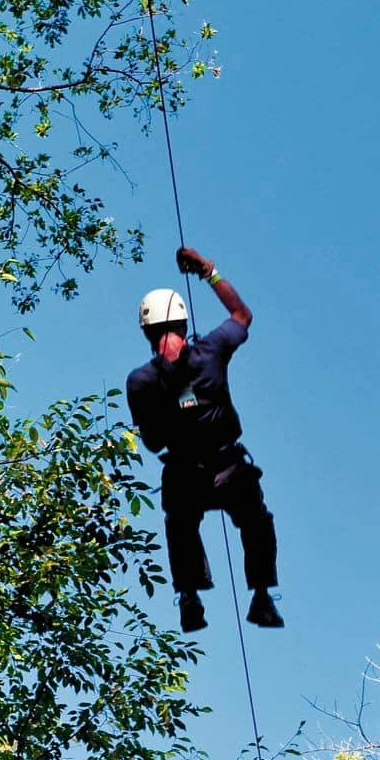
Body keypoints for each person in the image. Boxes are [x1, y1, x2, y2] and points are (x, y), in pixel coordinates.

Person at [126, 245, 282, 632]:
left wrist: (171, 416)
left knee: (179, 524)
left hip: (185, 474)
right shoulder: (210, 351)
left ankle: (190, 598)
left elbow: (152, 443)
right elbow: (242, 315)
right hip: (228, 465)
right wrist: (208, 271)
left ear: (146, 331)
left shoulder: (141, 382)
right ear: (182, 322)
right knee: (256, 521)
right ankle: (261, 597)